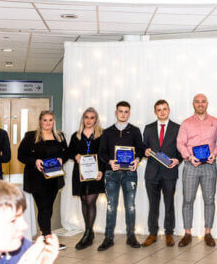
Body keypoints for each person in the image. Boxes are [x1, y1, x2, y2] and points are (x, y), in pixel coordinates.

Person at [97, 101, 145, 251]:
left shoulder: (135, 131)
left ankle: (131, 236)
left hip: (130, 173)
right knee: (111, 206)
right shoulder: (107, 132)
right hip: (112, 173)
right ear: (116, 113)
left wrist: (137, 160)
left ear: (129, 114)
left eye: (126, 112)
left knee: (130, 206)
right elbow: (101, 153)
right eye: (120, 111)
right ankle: (108, 237)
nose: (123, 114)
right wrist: (110, 162)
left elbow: (141, 150)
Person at [18, 110, 68, 249]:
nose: (47, 123)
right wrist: (35, 161)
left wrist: (61, 159)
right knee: (44, 207)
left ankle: (42, 235)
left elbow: (66, 153)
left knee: (47, 208)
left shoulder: (60, 136)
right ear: (40, 121)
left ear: (53, 121)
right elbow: (21, 156)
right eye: (45, 120)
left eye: (50, 120)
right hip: (36, 179)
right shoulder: (30, 136)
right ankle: (47, 237)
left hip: (53, 178)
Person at [177, 94, 217, 247]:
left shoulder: (216, 122)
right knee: (188, 199)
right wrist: (189, 157)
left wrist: (214, 154)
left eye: (203, 102)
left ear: (207, 104)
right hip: (191, 166)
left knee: (209, 200)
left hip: (209, 166)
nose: (200, 104)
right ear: (193, 104)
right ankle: (187, 233)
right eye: (197, 102)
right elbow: (180, 143)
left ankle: (208, 232)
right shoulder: (186, 123)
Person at [142, 100, 182, 247]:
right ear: (155, 112)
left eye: (164, 109)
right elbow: (143, 147)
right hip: (152, 173)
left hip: (169, 172)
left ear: (169, 110)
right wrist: (144, 151)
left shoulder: (177, 128)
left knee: (169, 204)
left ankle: (169, 233)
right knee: (153, 205)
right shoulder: (148, 128)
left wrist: (178, 159)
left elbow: (181, 149)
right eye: (159, 110)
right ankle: (152, 233)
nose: (162, 112)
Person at [67, 107, 105, 250]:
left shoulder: (102, 135)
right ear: (83, 119)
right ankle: (89, 232)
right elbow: (69, 151)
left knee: (91, 200)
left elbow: (105, 154)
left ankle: (88, 233)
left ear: (96, 120)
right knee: (83, 199)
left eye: (92, 117)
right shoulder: (76, 135)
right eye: (86, 117)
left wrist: (101, 170)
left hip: (96, 173)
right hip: (80, 173)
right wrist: (75, 155)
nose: (89, 120)